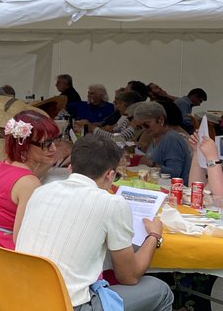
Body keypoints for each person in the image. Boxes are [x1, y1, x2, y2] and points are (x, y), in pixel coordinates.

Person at [16, 131, 173, 311]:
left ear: (70, 168)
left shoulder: (41, 191)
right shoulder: (111, 203)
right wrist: (154, 236)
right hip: (66, 305)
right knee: (160, 290)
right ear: (110, 175)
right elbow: (128, 276)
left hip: (19, 298)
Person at [0, 109, 60, 283]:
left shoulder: (4, 165)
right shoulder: (29, 184)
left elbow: (26, 177)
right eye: (46, 144)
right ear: (24, 144)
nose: (54, 148)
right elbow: (23, 240)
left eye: (55, 141)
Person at [131, 102, 192, 179]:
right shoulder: (156, 137)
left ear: (160, 119)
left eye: (146, 125)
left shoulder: (172, 139)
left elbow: (175, 173)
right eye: (140, 127)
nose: (144, 129)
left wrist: (151, 164)